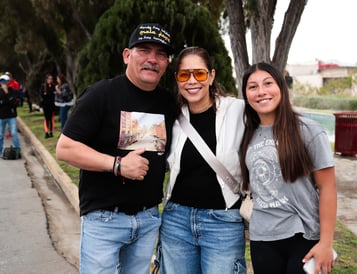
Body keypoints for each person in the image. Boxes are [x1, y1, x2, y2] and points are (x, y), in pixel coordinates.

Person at [55, 23, 177, 274]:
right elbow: (65, 148)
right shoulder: (101, 94)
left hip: (148, 219)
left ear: (166, 63)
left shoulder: (168, 102)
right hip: (104, 220)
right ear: (126, 55)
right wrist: (118, 165)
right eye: (144, 50)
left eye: (161, 53)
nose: (152, 59)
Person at [240, 62, 337, 274]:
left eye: (268, 83)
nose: (261, 92)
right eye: (253, 86)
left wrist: (326, 243)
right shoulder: (247, 134)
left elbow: (328, 187)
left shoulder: (308, 130)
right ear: (246, 94)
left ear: (281, 88)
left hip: (303, 236)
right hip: (262, 238)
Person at [159, 47, 246, 274]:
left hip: (223, 223)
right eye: (183, 75)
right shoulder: (172, 117)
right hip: (176, 221)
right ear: (177, 79)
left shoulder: (238, 111)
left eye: (198, 74)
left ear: (211, 75)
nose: (191, 81)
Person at [0, 74, 21, 157]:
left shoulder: (13, 91)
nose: (3, 83)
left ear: (8, 82)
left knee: (14, 133)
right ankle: (0, 151)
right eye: (1, 82)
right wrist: (7, 99)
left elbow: (13, 103)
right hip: (1, 116)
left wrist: (6, 94)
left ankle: (18, 151)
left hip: (11, 116)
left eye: (5, 81)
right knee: (0, 135)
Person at [40, 74, 56, 138]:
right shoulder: (43, 86)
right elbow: (42, 95)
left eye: (51, 79)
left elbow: (53, 95)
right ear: (46, 79)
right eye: (49, 79)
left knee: (51, 118)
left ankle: (51, 131)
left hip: (51, 105)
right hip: (45, 105)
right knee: (46, 119)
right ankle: (46, 132)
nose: (50, 80)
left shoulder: (53, 86)